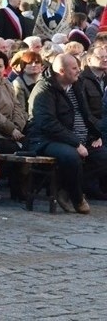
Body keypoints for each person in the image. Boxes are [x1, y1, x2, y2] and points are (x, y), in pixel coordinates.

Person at [27, 54, 107, 213]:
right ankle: (77, 198)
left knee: (103, 156)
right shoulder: (44, 89)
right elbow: (47, 123)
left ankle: (65, 189)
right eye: (74, 68)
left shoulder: (76, 84)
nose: (79, 71)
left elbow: (85, 114)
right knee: (71, 156)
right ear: (61, 71)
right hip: (45, 139)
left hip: (76, 137)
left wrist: (96, 134)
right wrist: (75, 143)